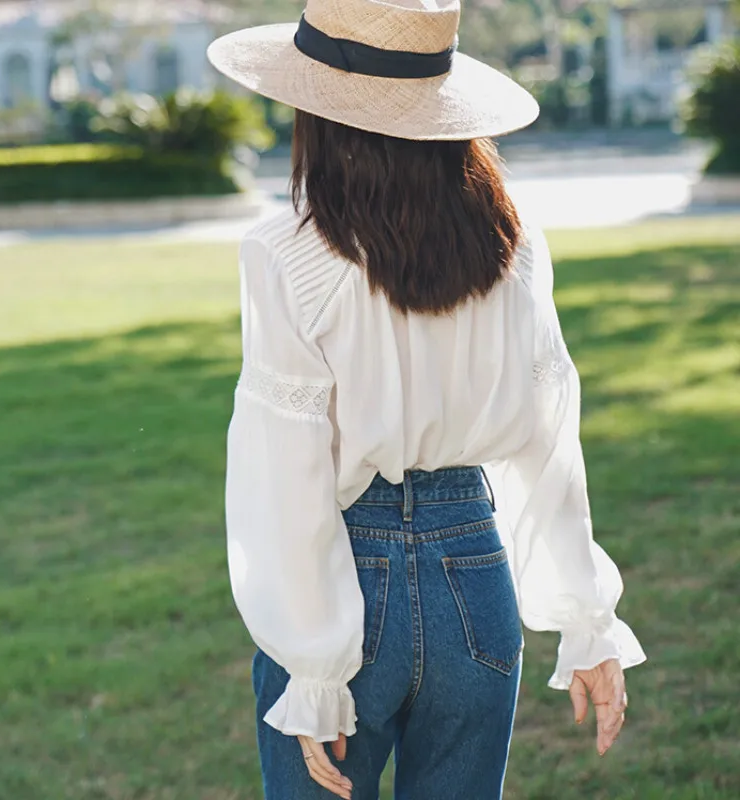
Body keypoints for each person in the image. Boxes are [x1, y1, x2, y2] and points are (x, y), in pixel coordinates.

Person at [209, 1, 646, 798]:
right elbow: (548, 438)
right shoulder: (511, 242)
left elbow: (286, 466)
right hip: (475, 571)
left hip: (347, 575)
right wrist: (586, 622)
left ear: (320, 116)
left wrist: (314, 666)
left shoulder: (284, 254)